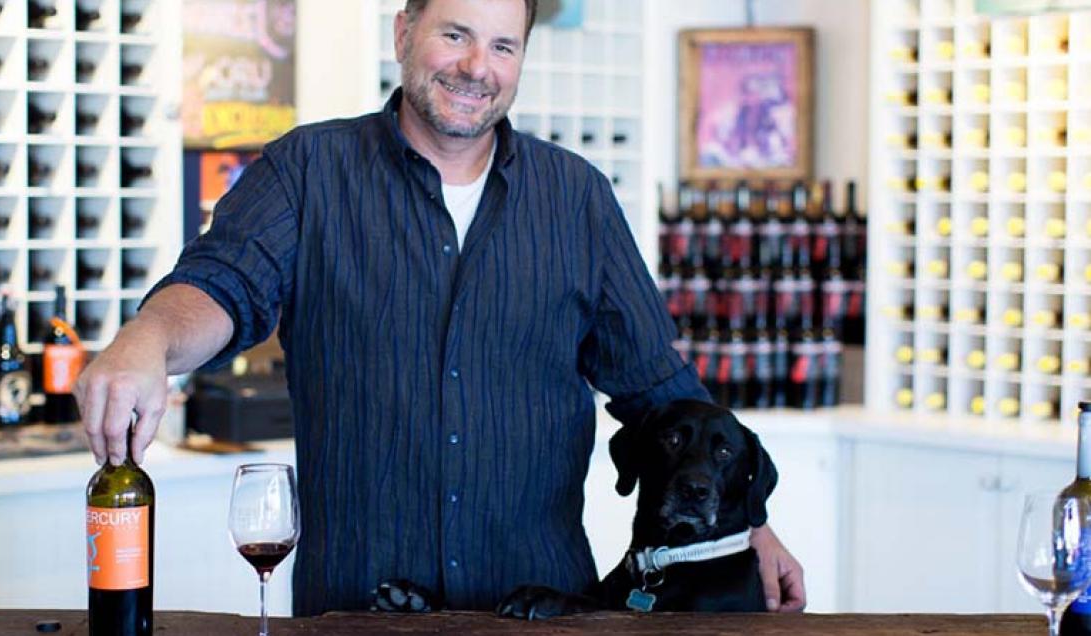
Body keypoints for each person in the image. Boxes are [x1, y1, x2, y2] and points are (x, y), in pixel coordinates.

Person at [75, 0, 806, 616]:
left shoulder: (576, 199)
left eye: (502, 45)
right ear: (404, 33)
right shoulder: (309, 171)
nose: (475, 66)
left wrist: (752, 527)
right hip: (355, 616)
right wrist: (147, 340)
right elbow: (223, 281)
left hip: (543, 614)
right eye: (454, 34)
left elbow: (659, 390)